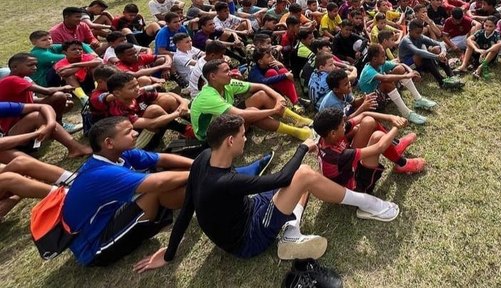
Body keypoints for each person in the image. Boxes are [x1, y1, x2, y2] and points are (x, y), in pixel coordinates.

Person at [134, 114, 400, 275]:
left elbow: (187, 208)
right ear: (229, 141)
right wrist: (302, 148)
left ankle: (292, 230)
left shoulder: (204, 158)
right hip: (248, 239)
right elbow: (282, 179)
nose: (245, 139)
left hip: (248, 212)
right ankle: (369, 204)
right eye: (242, 135)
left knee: (301, 177)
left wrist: (169, 253)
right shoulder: (225, 181)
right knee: (303, 175)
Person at [62, 116, 191, 266]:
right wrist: (201, 171)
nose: (135, 133)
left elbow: (160, 159)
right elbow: (158, 182)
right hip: (96, 248)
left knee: (167, 175)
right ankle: (205, 194)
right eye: (128, 132)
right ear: (109, 143)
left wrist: (196, 164)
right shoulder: (101, 173)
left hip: (111, 217)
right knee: (156, 188)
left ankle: (203, 191)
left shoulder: (118, 154)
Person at [191, 60, 312, 142]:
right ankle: (296, 132)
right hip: (212, 137)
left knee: (261, 95)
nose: (231, 73)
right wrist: (273, 110)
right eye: (226, 71)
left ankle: (298, 120)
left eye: (229, 69)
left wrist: (277, 96)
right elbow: (242, 115)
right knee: (252, 112)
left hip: (224, 120)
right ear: (213, 77)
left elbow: (260, 86)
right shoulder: (208, 97)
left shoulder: (226, 83)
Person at [359, 44, 435, 124]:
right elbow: (385, 78)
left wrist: (411, 72)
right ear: (374, 59)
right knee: (386, 83)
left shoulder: (380, 64)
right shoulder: (368, 71)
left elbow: (401, 65)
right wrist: (406, 76)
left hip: (382, 95)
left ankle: (418, 99)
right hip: (373, 104)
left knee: (400, 69)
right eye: (383, 55)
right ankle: (406, 113)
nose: (385, 57)